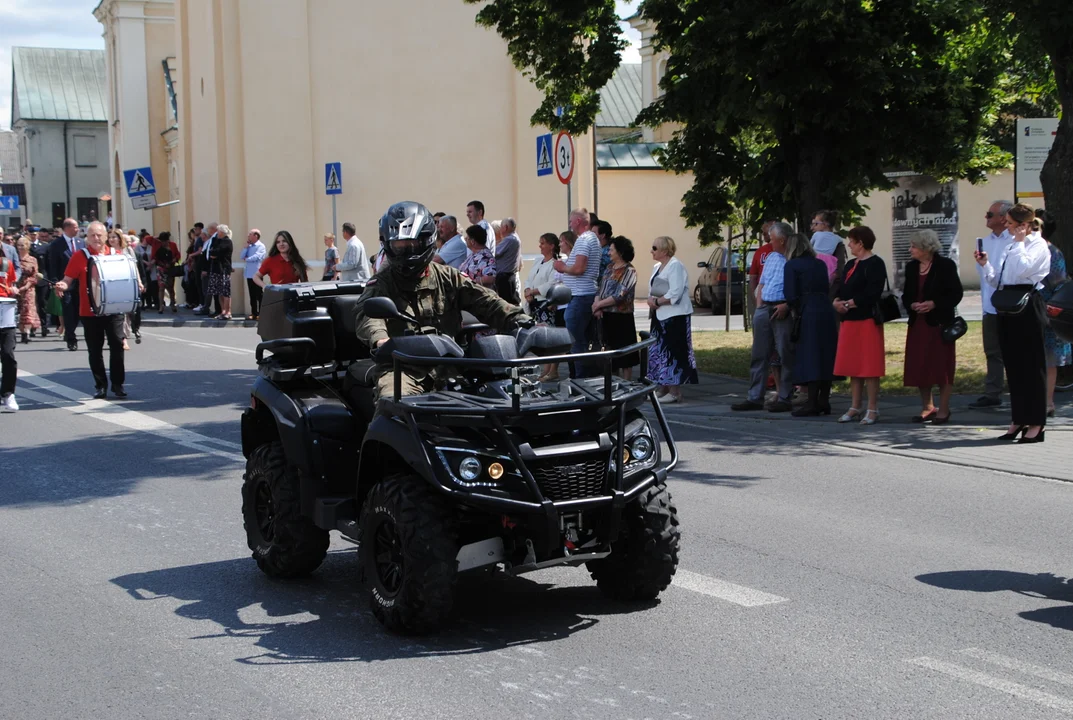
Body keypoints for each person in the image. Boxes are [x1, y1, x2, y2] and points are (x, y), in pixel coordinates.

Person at [353, 201, 532, 406]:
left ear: (427, 240)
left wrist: (522, 320)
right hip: (404, 369)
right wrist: (380, 339)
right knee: (394, 404)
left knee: (512, 396)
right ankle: (377, 439)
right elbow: (367, 314)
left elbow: (485, 301)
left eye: (411, 244)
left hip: (453, 365)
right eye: (398, 246)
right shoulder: (383, 281)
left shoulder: (447, 276)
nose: (405, 252)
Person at [976, 203, 1051, 442]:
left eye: (1010, 224)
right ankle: (1018, 418)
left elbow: (1022, 271)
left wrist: (1019, 244)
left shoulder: (1038, 245)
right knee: (1014, 366)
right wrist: (986, 264)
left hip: (1028, 305)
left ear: (1024, 225)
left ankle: (1037, 423)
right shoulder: (1011, 244)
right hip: (1008, 305)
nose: (1006, 228)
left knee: (1032, 366)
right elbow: (1000, 279)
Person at [54, 222, 136, 399]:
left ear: (106, 237)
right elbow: (68, 279)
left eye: (99, 235)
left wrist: (138, 284)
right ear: (87, 238)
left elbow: (126, 278)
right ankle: (100, 385)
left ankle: (117, 384)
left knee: (117, 346)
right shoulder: (80, 256)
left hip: (114, 310)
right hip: (90, 311)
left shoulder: (116, 255)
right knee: (95, 350)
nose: (96, 238)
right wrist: (62, 284)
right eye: (92, 235)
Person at [732, 222, 795, 412]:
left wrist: (788, 305)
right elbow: (762, 282)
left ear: (782, 240)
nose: (769, 240)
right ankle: (754, 397)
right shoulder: (772, 256)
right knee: (759, 354)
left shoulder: (794, 257)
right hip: (765, 307)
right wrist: (759, 306)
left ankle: (785, 397)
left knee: (785, 353)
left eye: (772, 237)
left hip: (782, 308)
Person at [902, 229, 963, 423]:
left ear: (926, 248)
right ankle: (927, 407)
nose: (910, 249)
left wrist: (934, 303)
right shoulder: (911, 268)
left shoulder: (945, 266)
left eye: (914, 246)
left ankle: (944, 409)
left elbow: (955, 294)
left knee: (942, 367)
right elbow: (906, 295)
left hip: (938, 324)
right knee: (921, 366)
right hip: (918, 323)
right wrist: (912, 304)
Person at [832, 226, 888, 425]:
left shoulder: (875, 263)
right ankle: (855, 406)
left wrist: (850, 304)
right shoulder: (850, 265)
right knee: (853, 365)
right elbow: (841, 287)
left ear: (861, 243)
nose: (849, 244)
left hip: (867, 320)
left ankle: (873, 408)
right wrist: (837, 301)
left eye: (852, 241)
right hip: (849, 321)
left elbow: (873, 292)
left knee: (869, 366)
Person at [783, 232, 838, 417]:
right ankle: (824, 400)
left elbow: (790, 294)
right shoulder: (820, 264)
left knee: (811, 355)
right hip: (825, 309)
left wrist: (796, 309)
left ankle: (812, 402)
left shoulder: (792, 266)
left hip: (807, 311)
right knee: (825, 354)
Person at [970, 200, 1014, 408]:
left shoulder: (1015, 241)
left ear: (1004, 218)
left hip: (1013, 305)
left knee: (1015, 351)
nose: (986, 218)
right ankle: (993, 393)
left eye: (990, 214)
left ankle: (1019, 391)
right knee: (992, 351)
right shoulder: (984, 242)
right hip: (990, 305)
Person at [647, 236, 697, 402]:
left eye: (654, 248)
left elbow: (675, 292)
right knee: (658, 352)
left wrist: (656, 301)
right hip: (659, 315)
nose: (651, 251)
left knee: (672, 352)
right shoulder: (657, 266)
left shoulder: (675, 266)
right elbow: (653, 289)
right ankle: (663, 387)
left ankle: (675, 391)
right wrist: (650, 300)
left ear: (664, 250)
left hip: (674, 316)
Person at [553, 209, 601, 377]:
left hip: (580, 295)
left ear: (579, 221)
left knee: (575, 342)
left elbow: (580, 268)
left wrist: (562, 267)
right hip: (584, 294)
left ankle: (581, 380)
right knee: (581, 340)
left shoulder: (584, 240)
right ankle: (585, 378)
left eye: (571, 221)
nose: (570, 224)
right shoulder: (592, 239)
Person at [592, 236, 639, 379]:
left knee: (625, 355)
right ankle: (611, 385)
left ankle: (627, 384)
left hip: (622, 317)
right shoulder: (609, 268)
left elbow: (620, 295)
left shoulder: (629, 271)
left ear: (620, 252)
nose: (608, 253)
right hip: (606, 316)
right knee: (609, 352)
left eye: (611, 250)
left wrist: (598, 305)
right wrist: (597, 305)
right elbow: (601, 288)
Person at [1040, 216, 1070, 418]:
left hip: (1048, 313)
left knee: (1049, 359)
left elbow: (1059, 284)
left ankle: (1048, 403)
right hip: (1030, 312)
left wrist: (1049, 309)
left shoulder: (1052, 252)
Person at [525, 232, 561, 382]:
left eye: (543, 243)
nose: (540, 246)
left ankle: (551, 371)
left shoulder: (555, 263)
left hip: (546, 304)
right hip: (534, 304)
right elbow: (529, 278)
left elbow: (551, 284)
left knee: (550, 338)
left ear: (552, 246)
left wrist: (533, 291)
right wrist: (527, 291)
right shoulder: (538, 261)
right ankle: (545, 369)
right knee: (541, 338)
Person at [47, 218, 83, 351]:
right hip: (65, 284)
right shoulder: (56, 245)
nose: (77, 229)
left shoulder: (81, 242)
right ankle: (71, 338)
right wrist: (56, 284)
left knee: (78, 312)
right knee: (68, 311)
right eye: (75, 227)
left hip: (80, 284)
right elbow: (53, 266)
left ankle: (70, 331)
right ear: (67, 228)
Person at [106, 230, 140, 350]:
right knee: (116, 313)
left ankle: (124, 335)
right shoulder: (107, 251)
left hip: (127, 283)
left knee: (126, 312)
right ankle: (121, 339)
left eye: (114, 237)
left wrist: (139, 282)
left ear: (119, 238)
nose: (111, 239)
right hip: (112, 285)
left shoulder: (128, 250)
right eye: (109, 237)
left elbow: (134, 267)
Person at [810, 209, 848, 298]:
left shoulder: (816, 235)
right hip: (830, 261)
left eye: (816, 223)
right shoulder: (837, 238)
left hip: (816, 258)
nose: (813, 227)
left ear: (825, 224)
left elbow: (809, 246)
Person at [0, 250, 18, 411]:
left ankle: (8, 393)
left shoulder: (6, 263)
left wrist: (13, 289)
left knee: (8, 354)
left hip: (5, 312)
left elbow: (11, 285)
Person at [15, 237, 40, 344]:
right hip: (15, 287)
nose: (20, 247)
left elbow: (35, 275)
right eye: (19, 245)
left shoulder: (32, 260)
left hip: (28, 287)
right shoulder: (14, 258)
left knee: (28, 308)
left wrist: (27, 285)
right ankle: (22, 332)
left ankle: (27, 332)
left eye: (22, 245)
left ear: (27, 246)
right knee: (19, 309)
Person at [207, 224, 235, 319]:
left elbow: (216, 252)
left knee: (225, 291)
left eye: (218, 231)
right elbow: (211, 251)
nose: (217, 233)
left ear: (222, 232)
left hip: (223, 269)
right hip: (215, 269)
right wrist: (214, 252)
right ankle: (223, 310)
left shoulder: (227, 242)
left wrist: (215, 253)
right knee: (218, 291)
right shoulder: (217, 241)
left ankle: (228, 311)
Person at [241, 229, 267, 319]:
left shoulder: (261, 246)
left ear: (256, 236)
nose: (248, 236)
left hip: (257, 274)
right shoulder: (249, 246)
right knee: (252, 294)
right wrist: (245, 248)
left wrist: (247, 259)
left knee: (259, 294)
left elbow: (257, 256)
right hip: (249, 273)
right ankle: (254, 313)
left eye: (250, 234)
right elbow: (242, 256)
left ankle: (261, 313)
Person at [494, 217, 521, 304]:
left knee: (506, 304)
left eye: (501, 227)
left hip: (505, 277)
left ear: (505, 227)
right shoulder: (514, 237)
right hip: (507, 276)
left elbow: (495, 253)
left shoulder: (510, 239)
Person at [153, 231, 181, 313]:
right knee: (161, 287)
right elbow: (154, 256)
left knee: (171, 288)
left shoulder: (173, 245)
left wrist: (174, 260)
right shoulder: (157, 246)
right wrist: (162, 264)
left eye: (165, 241)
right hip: (161, 268)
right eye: (162, 241)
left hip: (170, 268)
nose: (164, 243)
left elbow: (178, 255)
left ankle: (173, 304)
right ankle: (161, 306)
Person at [593, 220, 614, 285]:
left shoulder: (606, 253)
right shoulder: (599, 250)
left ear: (602, 235)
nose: (590, 235)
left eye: (593, 233)